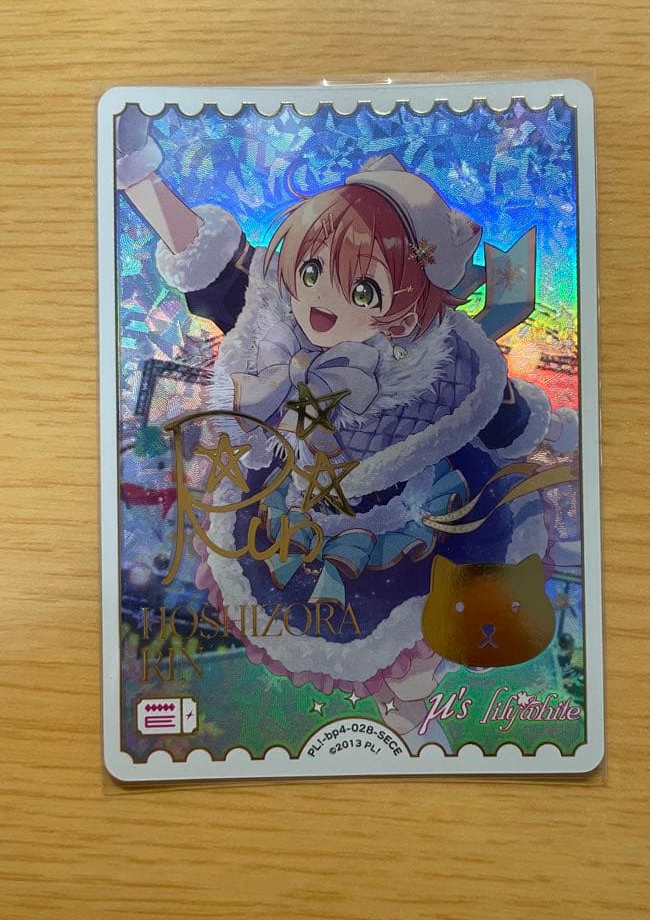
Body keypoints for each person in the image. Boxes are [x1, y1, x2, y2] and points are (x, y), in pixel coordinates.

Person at [116, 106, 580, 749]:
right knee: (351, 634)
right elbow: (205, 254)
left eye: (363, 291)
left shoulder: (449, 364)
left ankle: (416, 707)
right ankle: (401, 708)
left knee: (421, 633)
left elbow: (503, 415)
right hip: (300, 520)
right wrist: (136, 175)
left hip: (416, 520)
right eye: (312, 272)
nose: (322, 302)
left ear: (409, 303)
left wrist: (558, 438)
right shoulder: (273, 321)